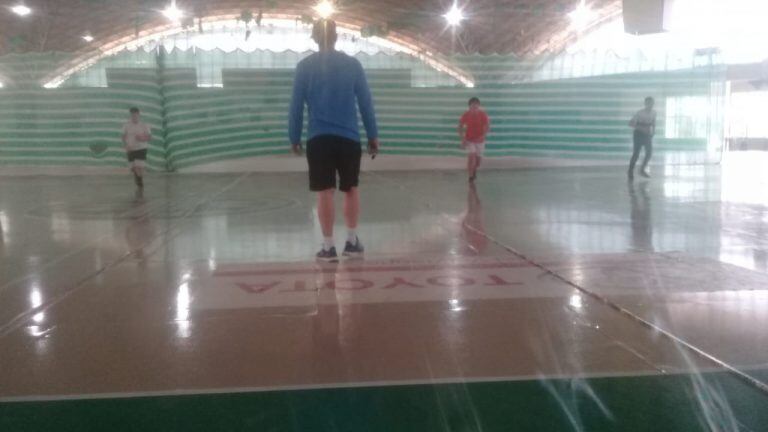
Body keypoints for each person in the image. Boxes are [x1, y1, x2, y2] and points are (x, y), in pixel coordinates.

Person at [289, 19, 380, 261]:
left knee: (324, 192)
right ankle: (351, 242)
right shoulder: (352, 65)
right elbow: (365, 103)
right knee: (351, 188)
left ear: (315, 38)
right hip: (349, 137)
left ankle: (328, 247)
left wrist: (294, 137)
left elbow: (296, 106)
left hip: (318, 139)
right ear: (337, 37)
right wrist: (373, 135)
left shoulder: (304, 67)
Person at [458, 97, 490, 182]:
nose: (474, 108)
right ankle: (470, 176)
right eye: (472, 106)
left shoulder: (483, 115)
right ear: (469, 106)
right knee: (471, 156)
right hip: (469, 140)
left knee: (478, 162)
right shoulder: (466, 115)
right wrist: (463, 139)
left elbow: (487, 127)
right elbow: (460, 127)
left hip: (480, 141)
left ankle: (474, 170)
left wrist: (483, 136)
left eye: (476, 106)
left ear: (479, 106)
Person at [121, 107, 151, 189]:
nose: (134, 116)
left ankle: (140, 184)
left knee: (138, 166)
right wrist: (126, 145)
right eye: (132, 115)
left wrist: (142, 138)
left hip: (142, 148)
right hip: (131, 148)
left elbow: (149, 137)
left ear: (138, 114)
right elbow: (123, 136)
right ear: (130, 115)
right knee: (133, 168)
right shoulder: (126, 125)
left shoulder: (144, 125)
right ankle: (138, 178)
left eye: (135, 115)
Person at [628, 96, 656, 180]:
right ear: (645, 104)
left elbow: (653, 122)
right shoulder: (639, 113)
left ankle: (642, 169)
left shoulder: (654, 113)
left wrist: (653, 131)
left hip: (647, 134)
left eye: (652, 103)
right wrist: (641, 128)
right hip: (638, 134)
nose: (650, 105)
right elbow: (630, 124)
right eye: (648, 103)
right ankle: (630, 171)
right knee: (636, 153)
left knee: (649, 153)